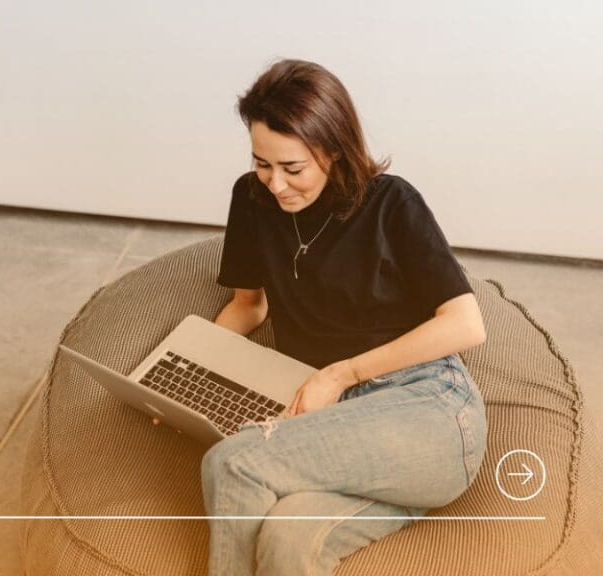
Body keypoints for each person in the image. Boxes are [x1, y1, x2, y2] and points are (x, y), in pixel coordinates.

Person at [198, 58, 489, 576]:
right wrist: (195, 368)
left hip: (429, 408)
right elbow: (250, 305)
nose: (275, 184)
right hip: (333, 423)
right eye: (262, 163)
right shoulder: (251, 198)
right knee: (288, 538)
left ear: (333, 150)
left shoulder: (390, 202)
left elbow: (467, 324)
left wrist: (344, 372)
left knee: (233, 464)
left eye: (293, 169)